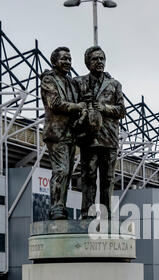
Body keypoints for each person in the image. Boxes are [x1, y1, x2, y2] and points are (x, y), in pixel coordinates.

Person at [73, 46, 126, 220]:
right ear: (88, 62)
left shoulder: (114, 84)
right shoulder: (79, 82)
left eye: (102, 59)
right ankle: (87, 213)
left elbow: (121, 110)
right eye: (95, 59)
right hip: (88, 138)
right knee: (88, 177)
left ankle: (106, 215)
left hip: (109, 139)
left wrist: (104, 108)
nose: (99, 62)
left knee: (108, 179)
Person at [41, 46, 86, 220]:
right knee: (61, 170)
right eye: (63, 59)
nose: (67, 62)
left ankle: (61, 207)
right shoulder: (48, 79)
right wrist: (78, 107)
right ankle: (56, 208)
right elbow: (55, 103)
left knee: (66, 173)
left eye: (69, 59)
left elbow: (80, 101)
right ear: (54, 61)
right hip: (56, 133)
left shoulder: (71, 83)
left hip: (70, 133)